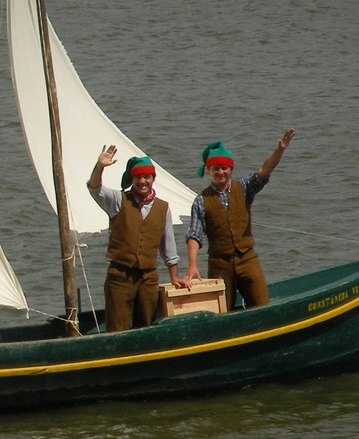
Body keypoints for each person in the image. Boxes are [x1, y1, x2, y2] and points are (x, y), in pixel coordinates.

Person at [184, 128, 294, 309]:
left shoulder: (243, 188)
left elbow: (264, 171)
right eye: (216, 168)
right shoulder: (201, 201)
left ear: (231, 169)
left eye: (224, 168)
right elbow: (194, 235)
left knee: (262, 306)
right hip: (219, 265)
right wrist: (192, 265)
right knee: (220, 312)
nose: (221, 172)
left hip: (247, 259)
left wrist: (280, 150)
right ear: (208, 170)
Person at [88, 146, 188, 332]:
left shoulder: (163, 208)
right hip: (120, 276)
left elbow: (168, 245)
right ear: (132, 179)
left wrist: (174, 276)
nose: (142, 181)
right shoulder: (118, 200)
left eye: (146, 177)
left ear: (153, 179)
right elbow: (95, 188)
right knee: (116, 330)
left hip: (148, 278)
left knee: (146, 328)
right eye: (137, 178)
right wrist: (99, 166)